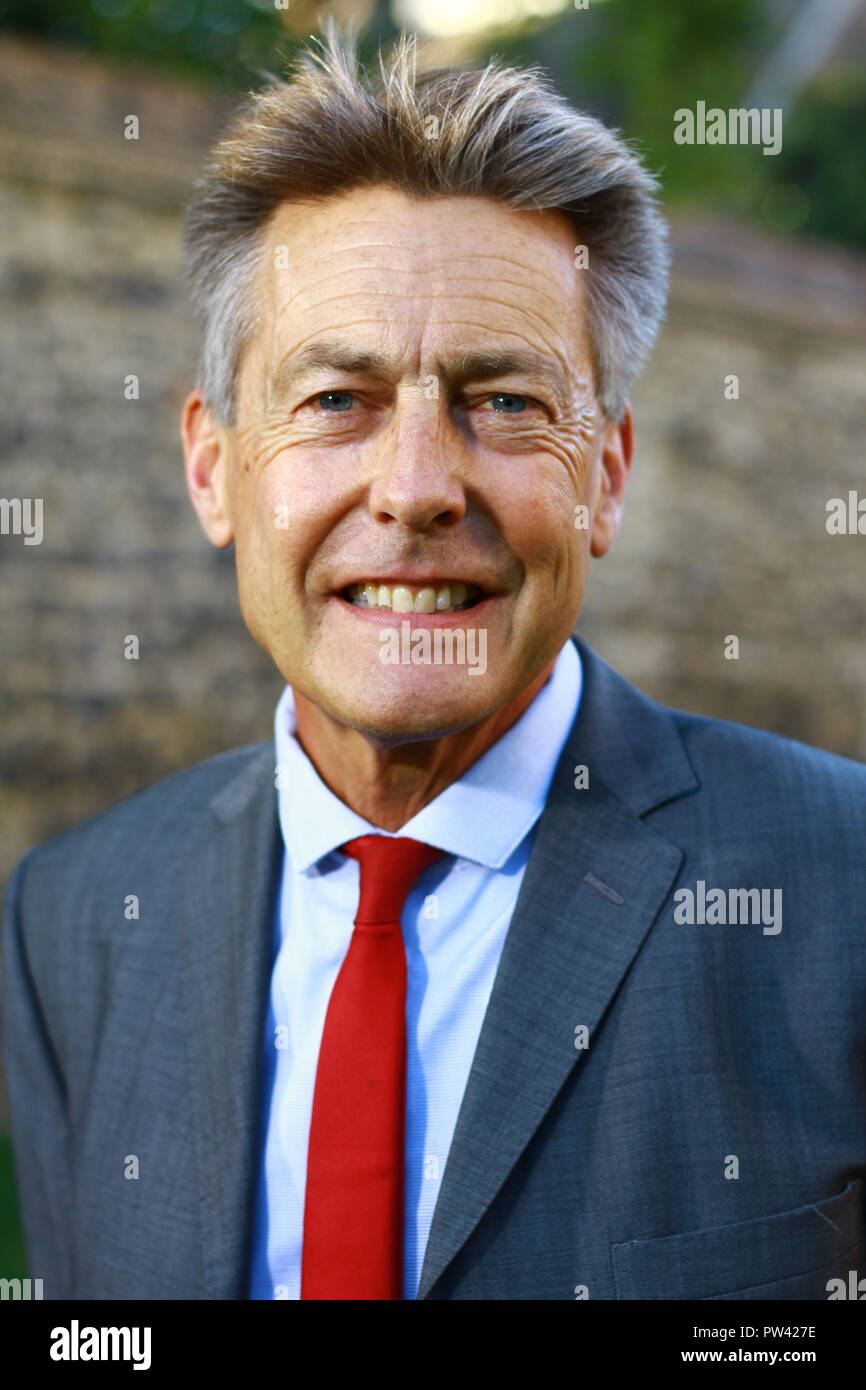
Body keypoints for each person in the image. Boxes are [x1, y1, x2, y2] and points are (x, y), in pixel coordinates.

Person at [3, 23, 864, 1302]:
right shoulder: (68, 920)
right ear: (211, 467)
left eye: (504, 402)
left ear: (606, 476)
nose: (414, 489)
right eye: (336, 400)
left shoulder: (840, 892)